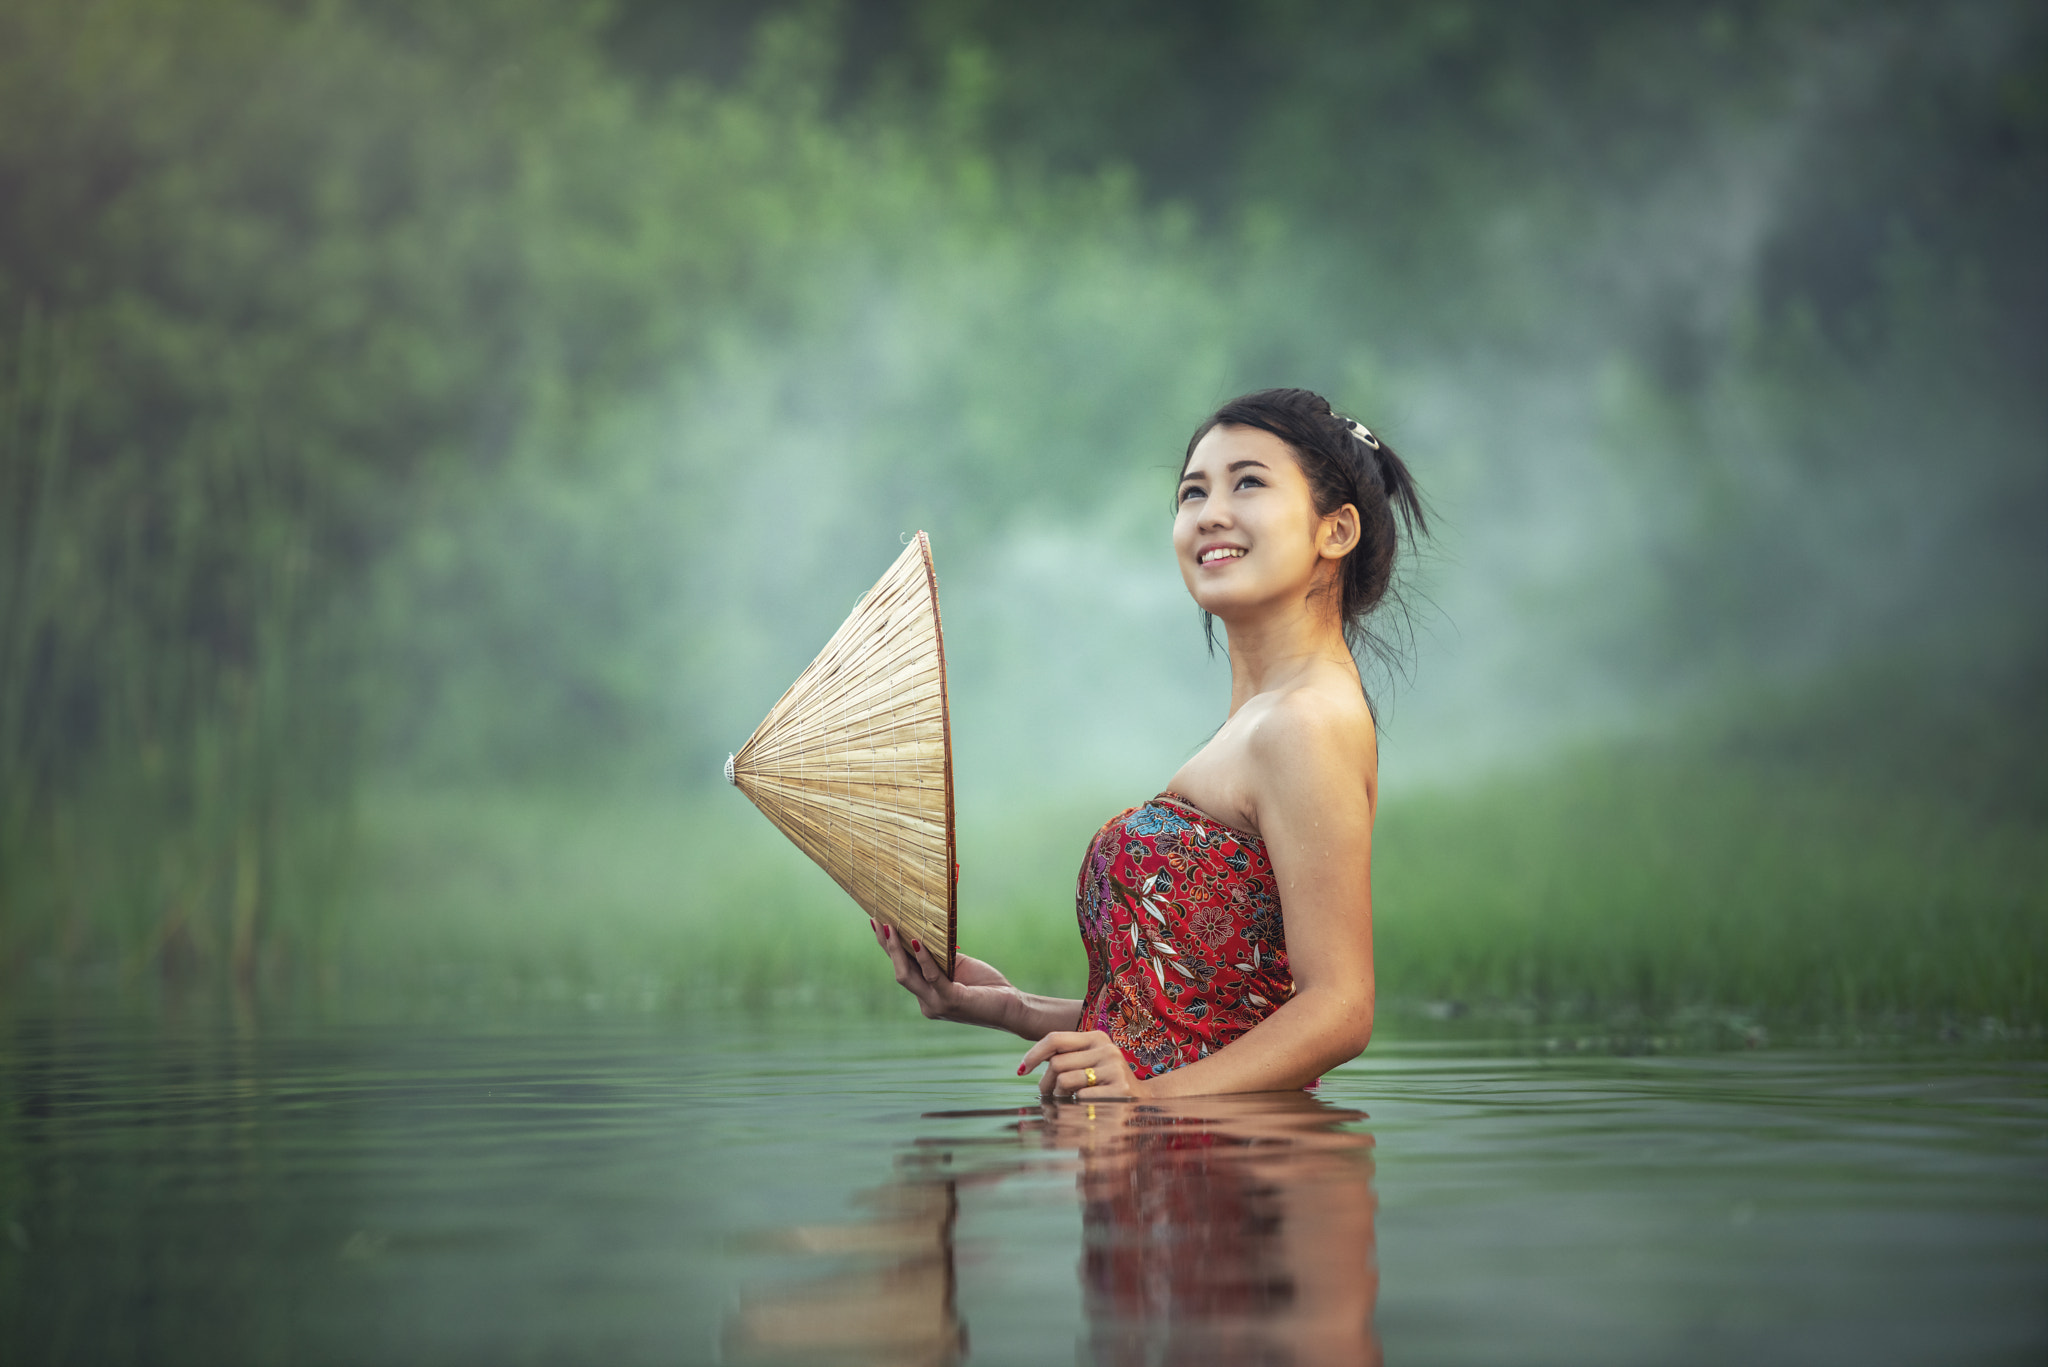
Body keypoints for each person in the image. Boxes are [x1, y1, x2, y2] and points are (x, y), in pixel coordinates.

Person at [872, 387, 1426, 1099]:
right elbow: (1190, 1023)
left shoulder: (1305, 722)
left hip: (1230, 1175)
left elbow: (1340, 1008)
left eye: (1248, 482)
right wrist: (1007, 1006)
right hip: (1167, 1169)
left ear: (1336, 531)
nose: (1210, 512)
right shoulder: (1258, 723)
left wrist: (1146, 1099)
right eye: (1192, 492)